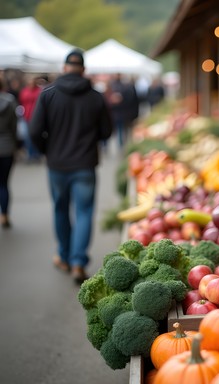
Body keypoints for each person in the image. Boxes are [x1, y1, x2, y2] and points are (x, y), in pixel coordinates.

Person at [29, 49, 113, 284]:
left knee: (60, 208)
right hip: (85, 163)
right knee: (84, 211)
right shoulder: (95, 96)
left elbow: (35, 131)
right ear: (83, 70)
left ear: (65, 68)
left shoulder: (48, 94)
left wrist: (47, 150)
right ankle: (78, 262)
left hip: (57, 164)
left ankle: (63, 257)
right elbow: (107, 131)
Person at [0, 78, 19, 229]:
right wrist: (15, 145)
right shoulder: (10, 101)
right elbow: (14, 126)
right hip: (6, 147)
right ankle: (5, 214)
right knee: (4, 184)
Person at [18, 75, 44, 162]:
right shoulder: (24, 91)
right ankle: (30, 154)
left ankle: (36, 154)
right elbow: (21, 102)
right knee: (27, 137)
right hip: (26, 116)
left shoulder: (39, 91)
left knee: (35, 135)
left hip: (36, 117)